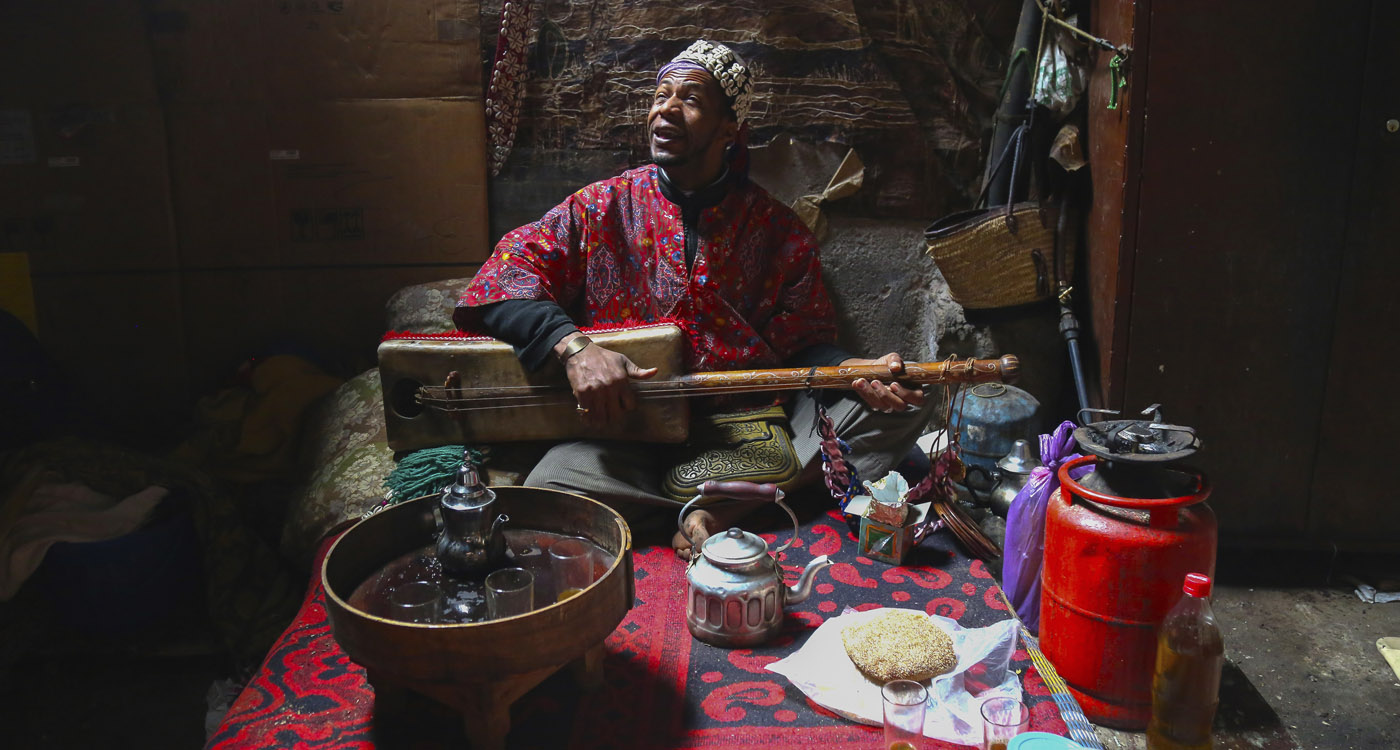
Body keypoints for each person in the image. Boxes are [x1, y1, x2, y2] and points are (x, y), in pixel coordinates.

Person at [456, 40, 930, 556]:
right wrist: (572, 346)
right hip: (635, 435)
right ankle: (738, 505)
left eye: (691, 98)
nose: (666, 108)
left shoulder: (777, 229)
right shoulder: (599, 207)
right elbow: (499, 280)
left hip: (752, 431)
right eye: (661, 95)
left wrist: (851, 369)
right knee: (549, 484)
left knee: (902, 405)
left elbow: (804, 346)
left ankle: (714, 509)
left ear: (730, 128)